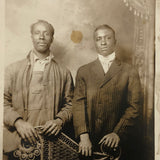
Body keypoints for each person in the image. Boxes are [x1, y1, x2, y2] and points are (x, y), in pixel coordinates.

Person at [3, 20, 74, 159]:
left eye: (46, 33)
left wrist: (59, 121)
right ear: (31, 37)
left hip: (51, 145)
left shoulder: (63, 72)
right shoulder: (12, 70)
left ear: (52, 39)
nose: (41, 37)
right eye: (37, 33)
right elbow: (2, 102)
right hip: (17, 144)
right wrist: (18, 122)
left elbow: (71, 105)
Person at [73, 24, 142, 159]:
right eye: (99, 39)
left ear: (115, 42)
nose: (103, 42)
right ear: (95, 43)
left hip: (118, 144)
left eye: (107, 38)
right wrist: (83, 136)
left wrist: (117, 133)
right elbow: (78, 105)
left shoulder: (129, 71)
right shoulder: (84, 71)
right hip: (88, 144)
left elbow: (135, 107)